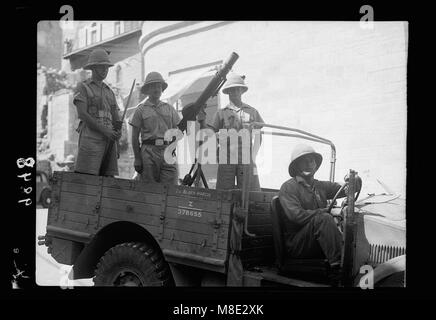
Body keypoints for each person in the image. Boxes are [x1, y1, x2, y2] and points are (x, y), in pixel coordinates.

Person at [279, 144, 362, 278]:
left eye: (311, 160)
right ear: (296, 166)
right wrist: (324, 211)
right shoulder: (288, 187)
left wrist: (354, 183)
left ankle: (353, 259)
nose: (308, 164)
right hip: (297, 245)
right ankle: (341, 267)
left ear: (316, 165)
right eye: (303, 161)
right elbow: (297, 216)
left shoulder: (319, 186)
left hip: (316, 240)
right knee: (323, 218)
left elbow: (342, 188)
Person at [208, 73, 264, 190]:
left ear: (242, 91)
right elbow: (210, 134)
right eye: (231, 90)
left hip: (246, 157)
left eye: (237, 89)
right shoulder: (221, 113)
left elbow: (259, 135)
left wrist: (253, 155)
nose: (234, 93)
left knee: (249, 192)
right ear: (228, 92)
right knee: (224, 192)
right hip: (227, 157)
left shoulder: (252, 112)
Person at [73, 48, 121, 177]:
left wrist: (117, 139)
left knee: (107, 180)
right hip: (91, 138)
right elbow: (82, 114)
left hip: (109, 140)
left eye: (106, 67)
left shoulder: (109, 91)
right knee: (87, 179)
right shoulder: (83, 87)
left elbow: (116, 119)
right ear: (93, 68)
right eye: (101, 67)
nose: (105, 70)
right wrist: (105, 130)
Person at [129, 72, 180, 184]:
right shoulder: (140, 110)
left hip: (167, 150)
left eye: (159, 86)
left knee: (171, 188)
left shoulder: (169, 109)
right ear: (147, 90)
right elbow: (134, 137)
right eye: (152, 86)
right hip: (148, 152)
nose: (156, 89)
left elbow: (176, 132)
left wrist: (172, 148)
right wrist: (137, 158)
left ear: (162, 89)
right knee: (149, 188)